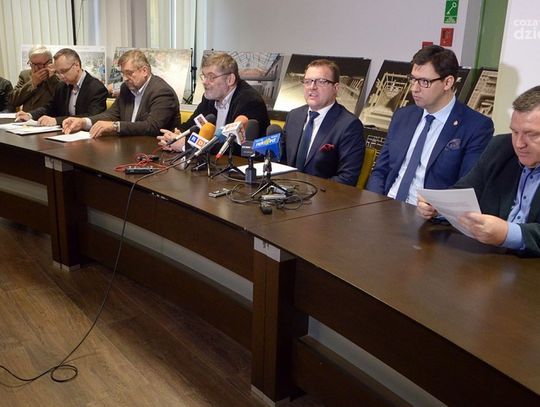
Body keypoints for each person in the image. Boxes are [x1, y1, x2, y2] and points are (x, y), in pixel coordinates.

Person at [418, 86, 540, 257]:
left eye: (531, 134)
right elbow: (466, 190)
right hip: (489, 258)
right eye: (514, 132)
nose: (519, 144)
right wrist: (439, 206)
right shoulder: (501, 147)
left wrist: (507, 234)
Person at [366, 45, 494, 204]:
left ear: (447, 83)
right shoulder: (402, 116)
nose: (414, 89)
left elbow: (466, 189)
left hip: (430, 213)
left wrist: (435, 208)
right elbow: (380, 171)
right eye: (413, 79)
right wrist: (375, 203)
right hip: (387, 204)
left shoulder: (475, 126)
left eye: (424, 82)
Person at [158, 52, 269, 151]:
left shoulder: (250, 101)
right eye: (204, 76)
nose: (204, 82)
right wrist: (176, 136)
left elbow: (234, 148)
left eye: (211, 77)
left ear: (230, 79)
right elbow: (190, 126)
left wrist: (186, 145)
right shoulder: (209, 98)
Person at [281, 59, 364, 186]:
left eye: (321, 81)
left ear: (335, 88)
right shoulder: (294, 116)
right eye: (307, 81)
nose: (312, 87)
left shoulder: (349, 125)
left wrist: (307, 191)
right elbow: (281, 159)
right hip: (286, 190)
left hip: (323, 195)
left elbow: (347, 178)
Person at [63, 49, 179, 138]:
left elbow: (152, 127)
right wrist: (84, 122)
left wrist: (115, 126)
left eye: (129, 73)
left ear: (144, 71)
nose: (125, 78)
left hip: (154, 151)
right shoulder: (126, 88)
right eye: (123, 73)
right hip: (129, 146)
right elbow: (111, 114)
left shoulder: (161, 91)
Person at [15, 48, 108, 125]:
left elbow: (92, 117)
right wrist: (30, 115)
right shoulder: (62, 86)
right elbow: (50, 108)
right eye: (58, 72)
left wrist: (56, 120)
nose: (61, 76)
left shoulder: (96, 88)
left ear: (77, 65)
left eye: (64, 71)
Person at [10, 45, 60, 111]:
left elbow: (61, 99)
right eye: (32, 64)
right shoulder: (25, 75)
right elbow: (13, 101)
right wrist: (32, 84)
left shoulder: (60, 75)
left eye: (39, 64)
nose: (36, 68)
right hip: (26, 116)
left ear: (50, 62)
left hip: (49, 116)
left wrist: (52, 79)